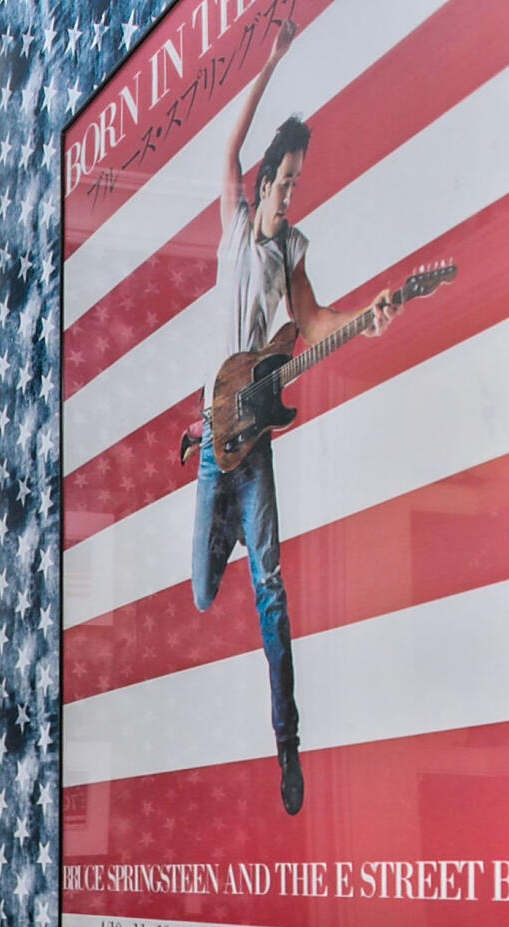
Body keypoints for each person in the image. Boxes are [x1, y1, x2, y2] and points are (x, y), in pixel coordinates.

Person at [197, 18, 403, 814]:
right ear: (263, 181)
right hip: (212, 426)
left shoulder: (292, 250)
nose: (290, 191)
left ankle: (289, 742)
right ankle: (216, 538)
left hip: (256, 432)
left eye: (297, 181)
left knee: (271, 588)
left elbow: (313, 325)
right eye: (282, 179)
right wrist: (270, 66)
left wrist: (370, 316)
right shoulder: (233, 232)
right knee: (206, 581)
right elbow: (226, 150)